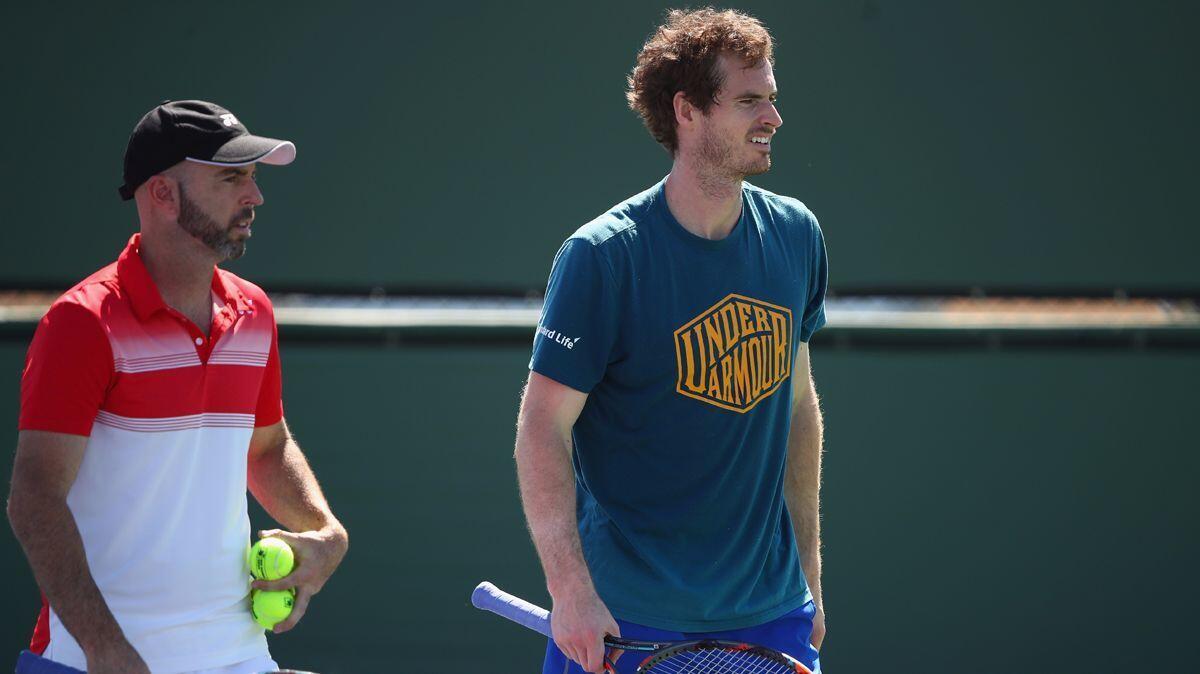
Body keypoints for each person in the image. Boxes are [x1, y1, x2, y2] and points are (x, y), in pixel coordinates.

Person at [514, 9, 829, 674]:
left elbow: (799, 407)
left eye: (771, 98)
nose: (772, 118)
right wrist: (569, 590)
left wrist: (808, 572)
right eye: (749, 101)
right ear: (687, 111)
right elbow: (541, 428)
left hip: (771, 614)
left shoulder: (798, 237)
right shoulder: (602, 257)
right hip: (620, 617)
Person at [7, 100, 349, 674]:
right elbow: (33, 499)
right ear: (162, 194)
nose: (254, 197)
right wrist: (106, 650)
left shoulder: (255, 312)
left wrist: (326, 533)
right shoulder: (83, 324)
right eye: (231, 178)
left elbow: (265, 446)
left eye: (253, 178)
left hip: (241, 658)